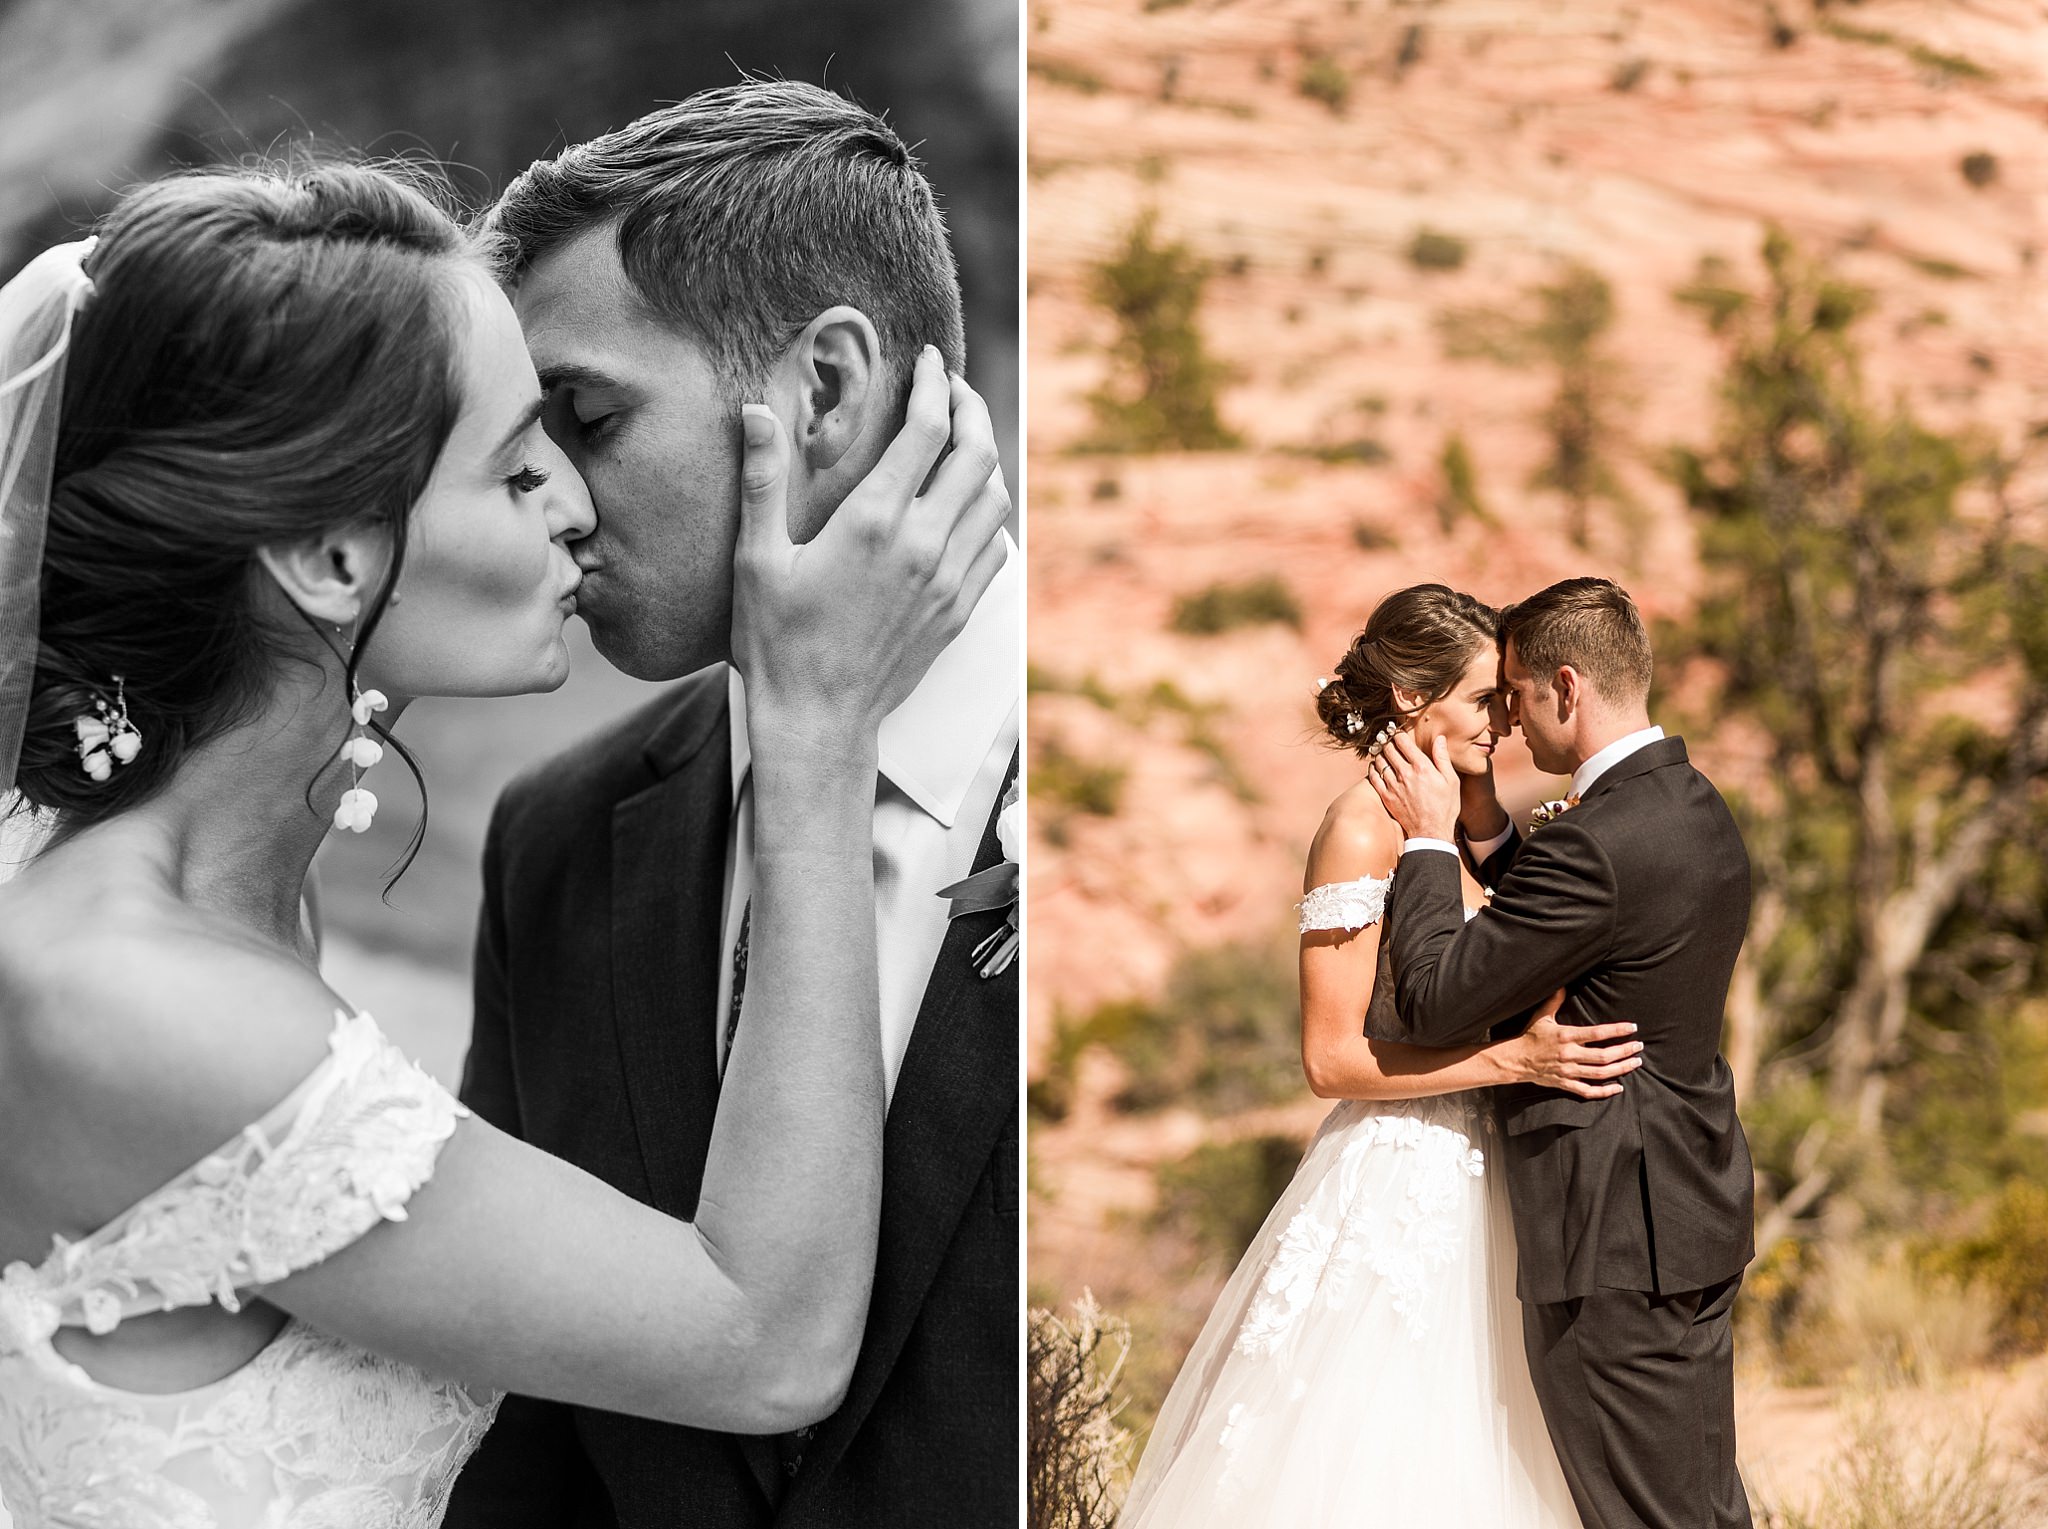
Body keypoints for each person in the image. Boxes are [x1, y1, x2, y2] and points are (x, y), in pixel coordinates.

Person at [0, 156, 1006, 1527]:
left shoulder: (235, 907)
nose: (574, 506)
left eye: (583, 428)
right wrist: (817, 732)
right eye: (522, 458)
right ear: (334, 557)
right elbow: (765, 1341)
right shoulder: (133, 995)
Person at [446, 81, 1021, 1529]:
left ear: (823, 391)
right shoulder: (561, 834)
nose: (550, 503)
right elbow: (530, 1433)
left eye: (585, 416)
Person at [1116, 583, 1639, 1528]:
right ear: (1412, 700)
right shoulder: (1361, 825)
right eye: (1486, 698)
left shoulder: (1454, 819)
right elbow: (1330, 1059)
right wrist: (1514, 1062)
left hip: (1496, 1176)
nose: (1507, 719)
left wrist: (1476, 811)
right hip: (1404, 1173)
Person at [1371, 576, 1755, 1529]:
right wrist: (1487, 825)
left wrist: (1427, 841)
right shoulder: (1690, 804)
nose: (1508, 719)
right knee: (1700, 1505)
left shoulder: (1594, 843)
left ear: (1567, 688)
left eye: (1516, 693)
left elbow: (1433, 999)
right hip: (1689, 1211)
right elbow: (1582, 924)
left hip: (1611, 1237)